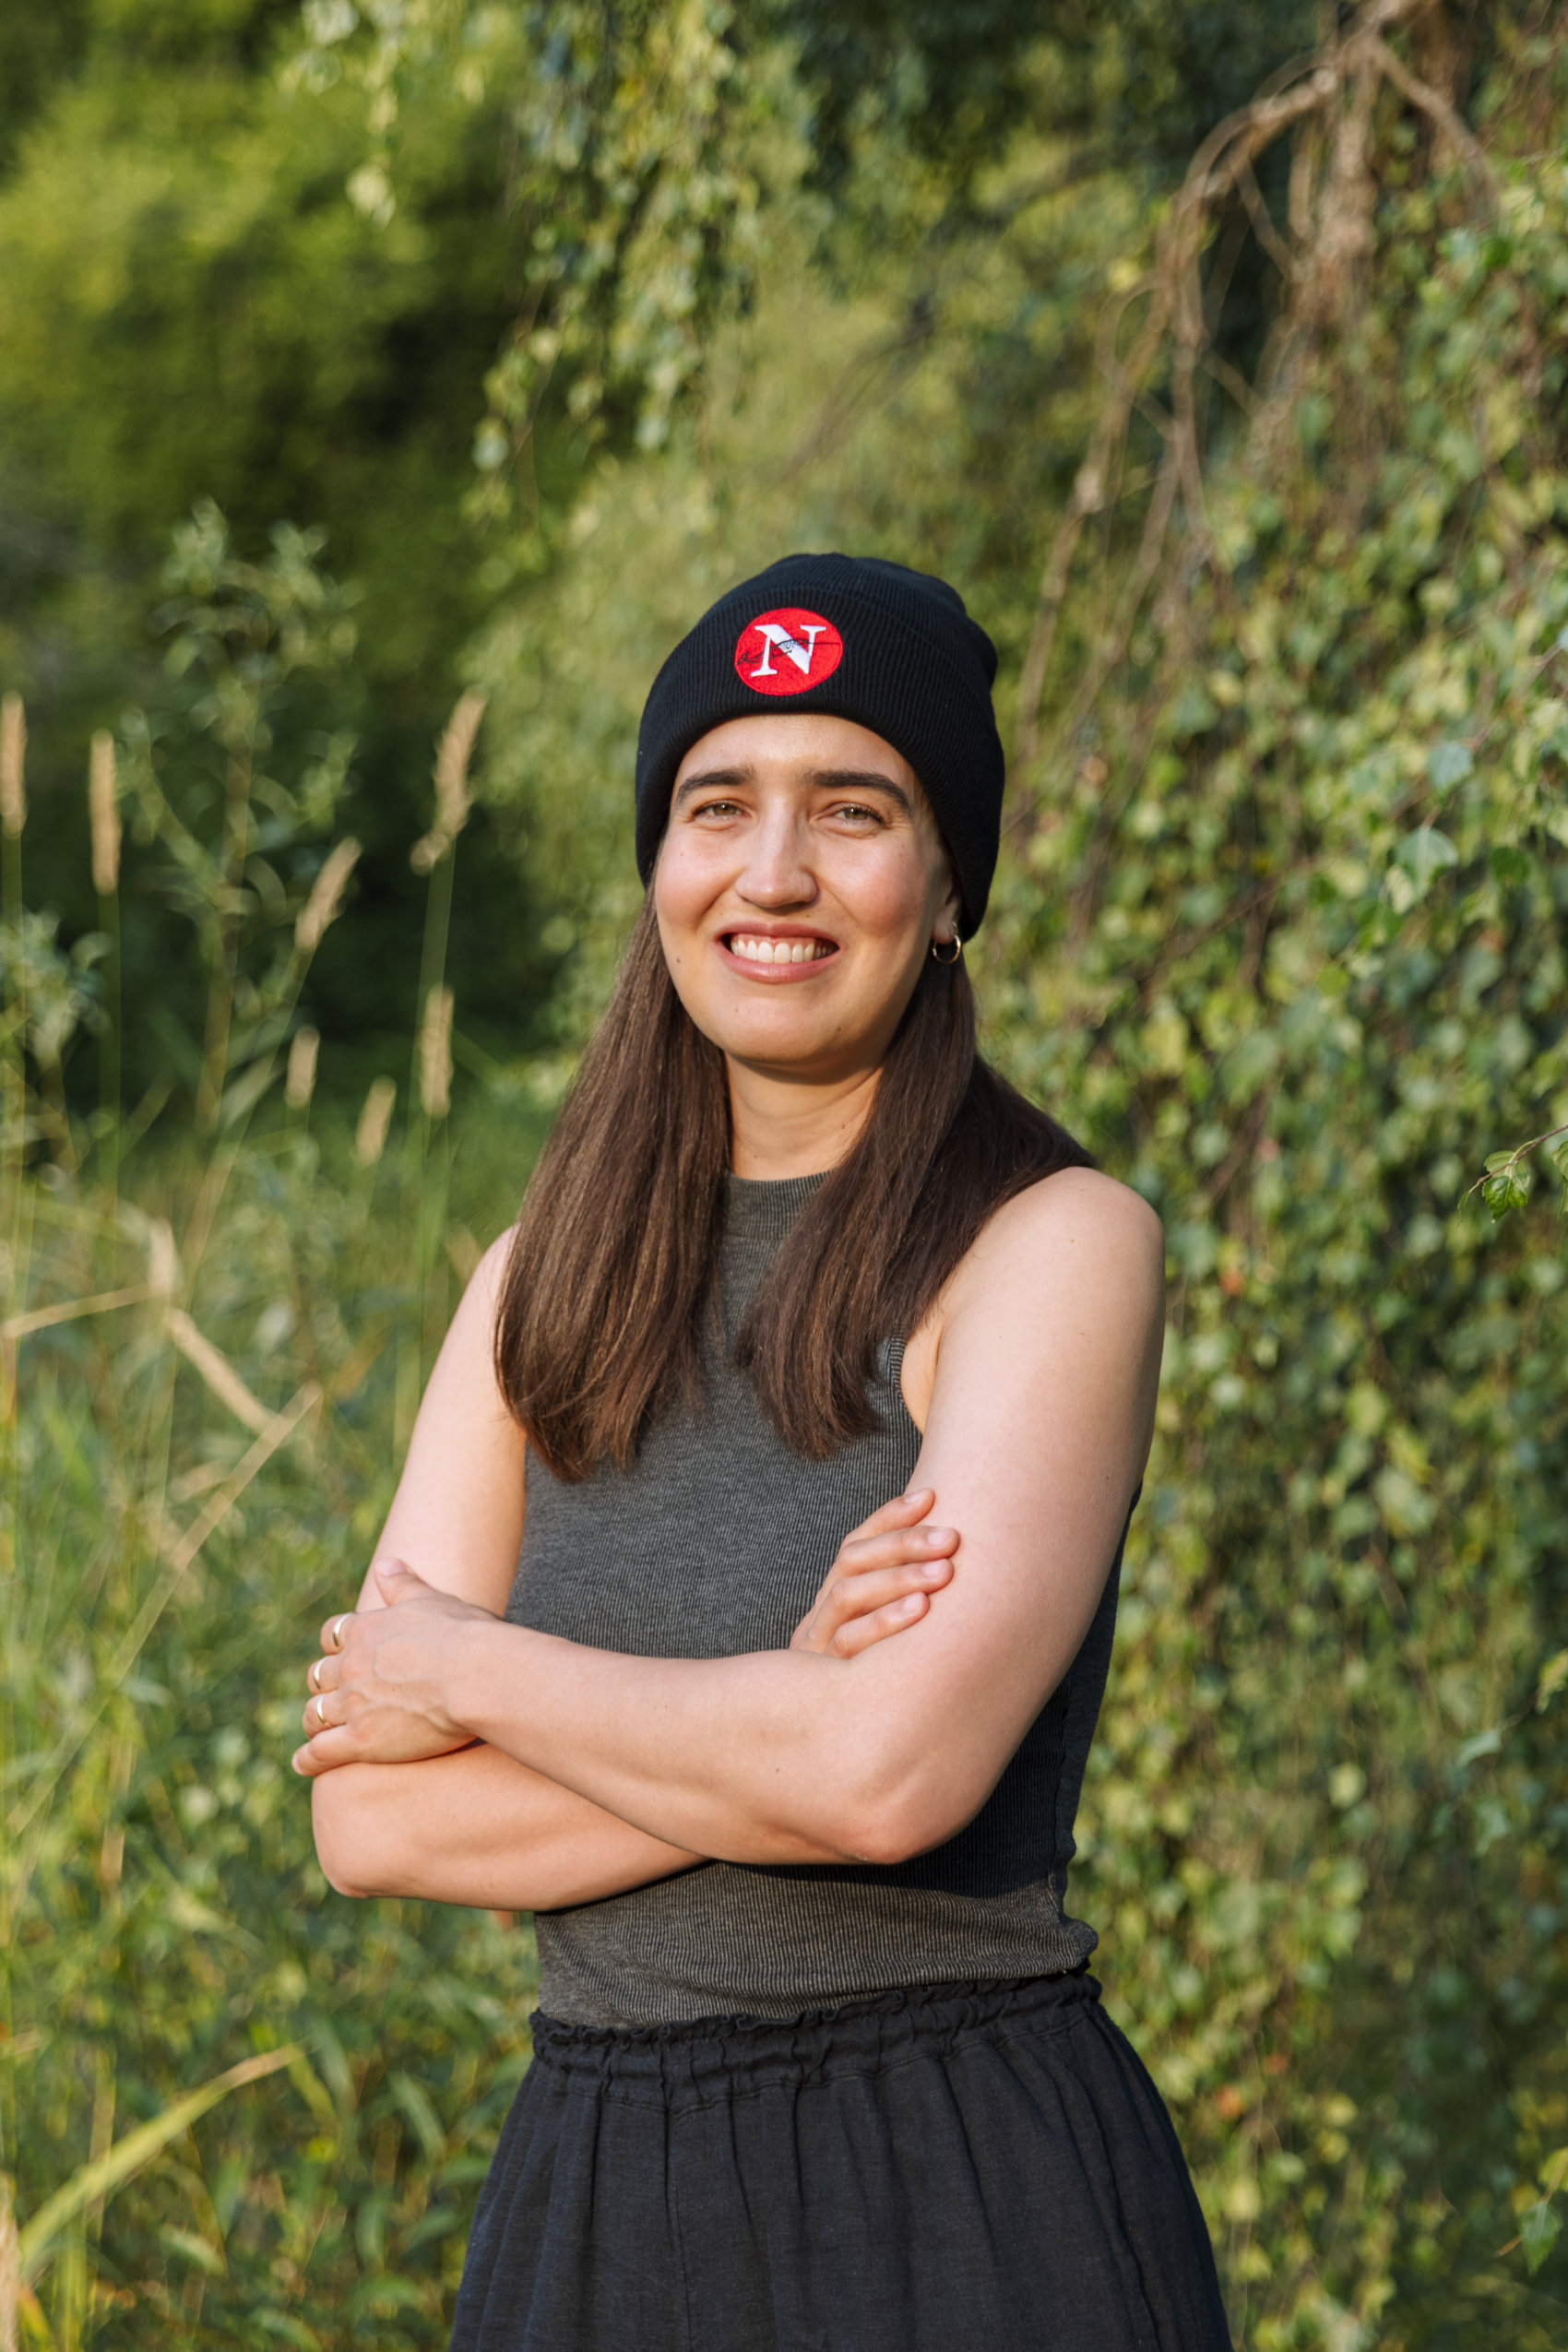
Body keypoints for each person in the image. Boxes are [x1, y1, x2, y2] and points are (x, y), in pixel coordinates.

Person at [293, 553, 1232, 2351]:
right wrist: (776, 1696)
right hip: (596, 2185)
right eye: (717, 805)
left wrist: (475, 1668)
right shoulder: (532, 1290)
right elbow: (368, 1817)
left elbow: (885, 1785)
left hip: (961, 2173)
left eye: (854, 809)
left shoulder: (1049, 1245)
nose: (773, 873)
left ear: (949, 879)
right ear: (660, 863)